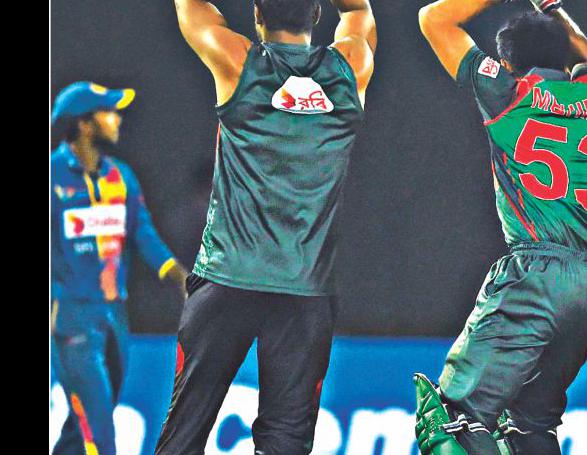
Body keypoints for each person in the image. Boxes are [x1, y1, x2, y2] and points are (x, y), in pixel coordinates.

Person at [155, 0, 376, 453]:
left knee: (184, 435)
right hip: (304, 291)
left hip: (226, 280)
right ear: (316, 14)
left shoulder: (238, 62)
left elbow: (191, 7)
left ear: (257, 14)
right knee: (285, 441)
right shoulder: (349, 69)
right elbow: (358, 10)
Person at [414, 0, 587, 453]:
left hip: (537, 273)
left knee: (450, 422)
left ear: (508, 63)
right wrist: (551, 7)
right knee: (529, 424)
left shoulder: (506, 93)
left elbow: (433, 18)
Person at [51, 81, 189, 455]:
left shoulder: (120, 177)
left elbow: (143, 235)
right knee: (99, 431)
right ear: (84, 124)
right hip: (72, 320)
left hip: (115, 316)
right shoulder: (53, 177)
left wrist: (179, 277)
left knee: (84, 427)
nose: (118, 119)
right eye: (108, 112)